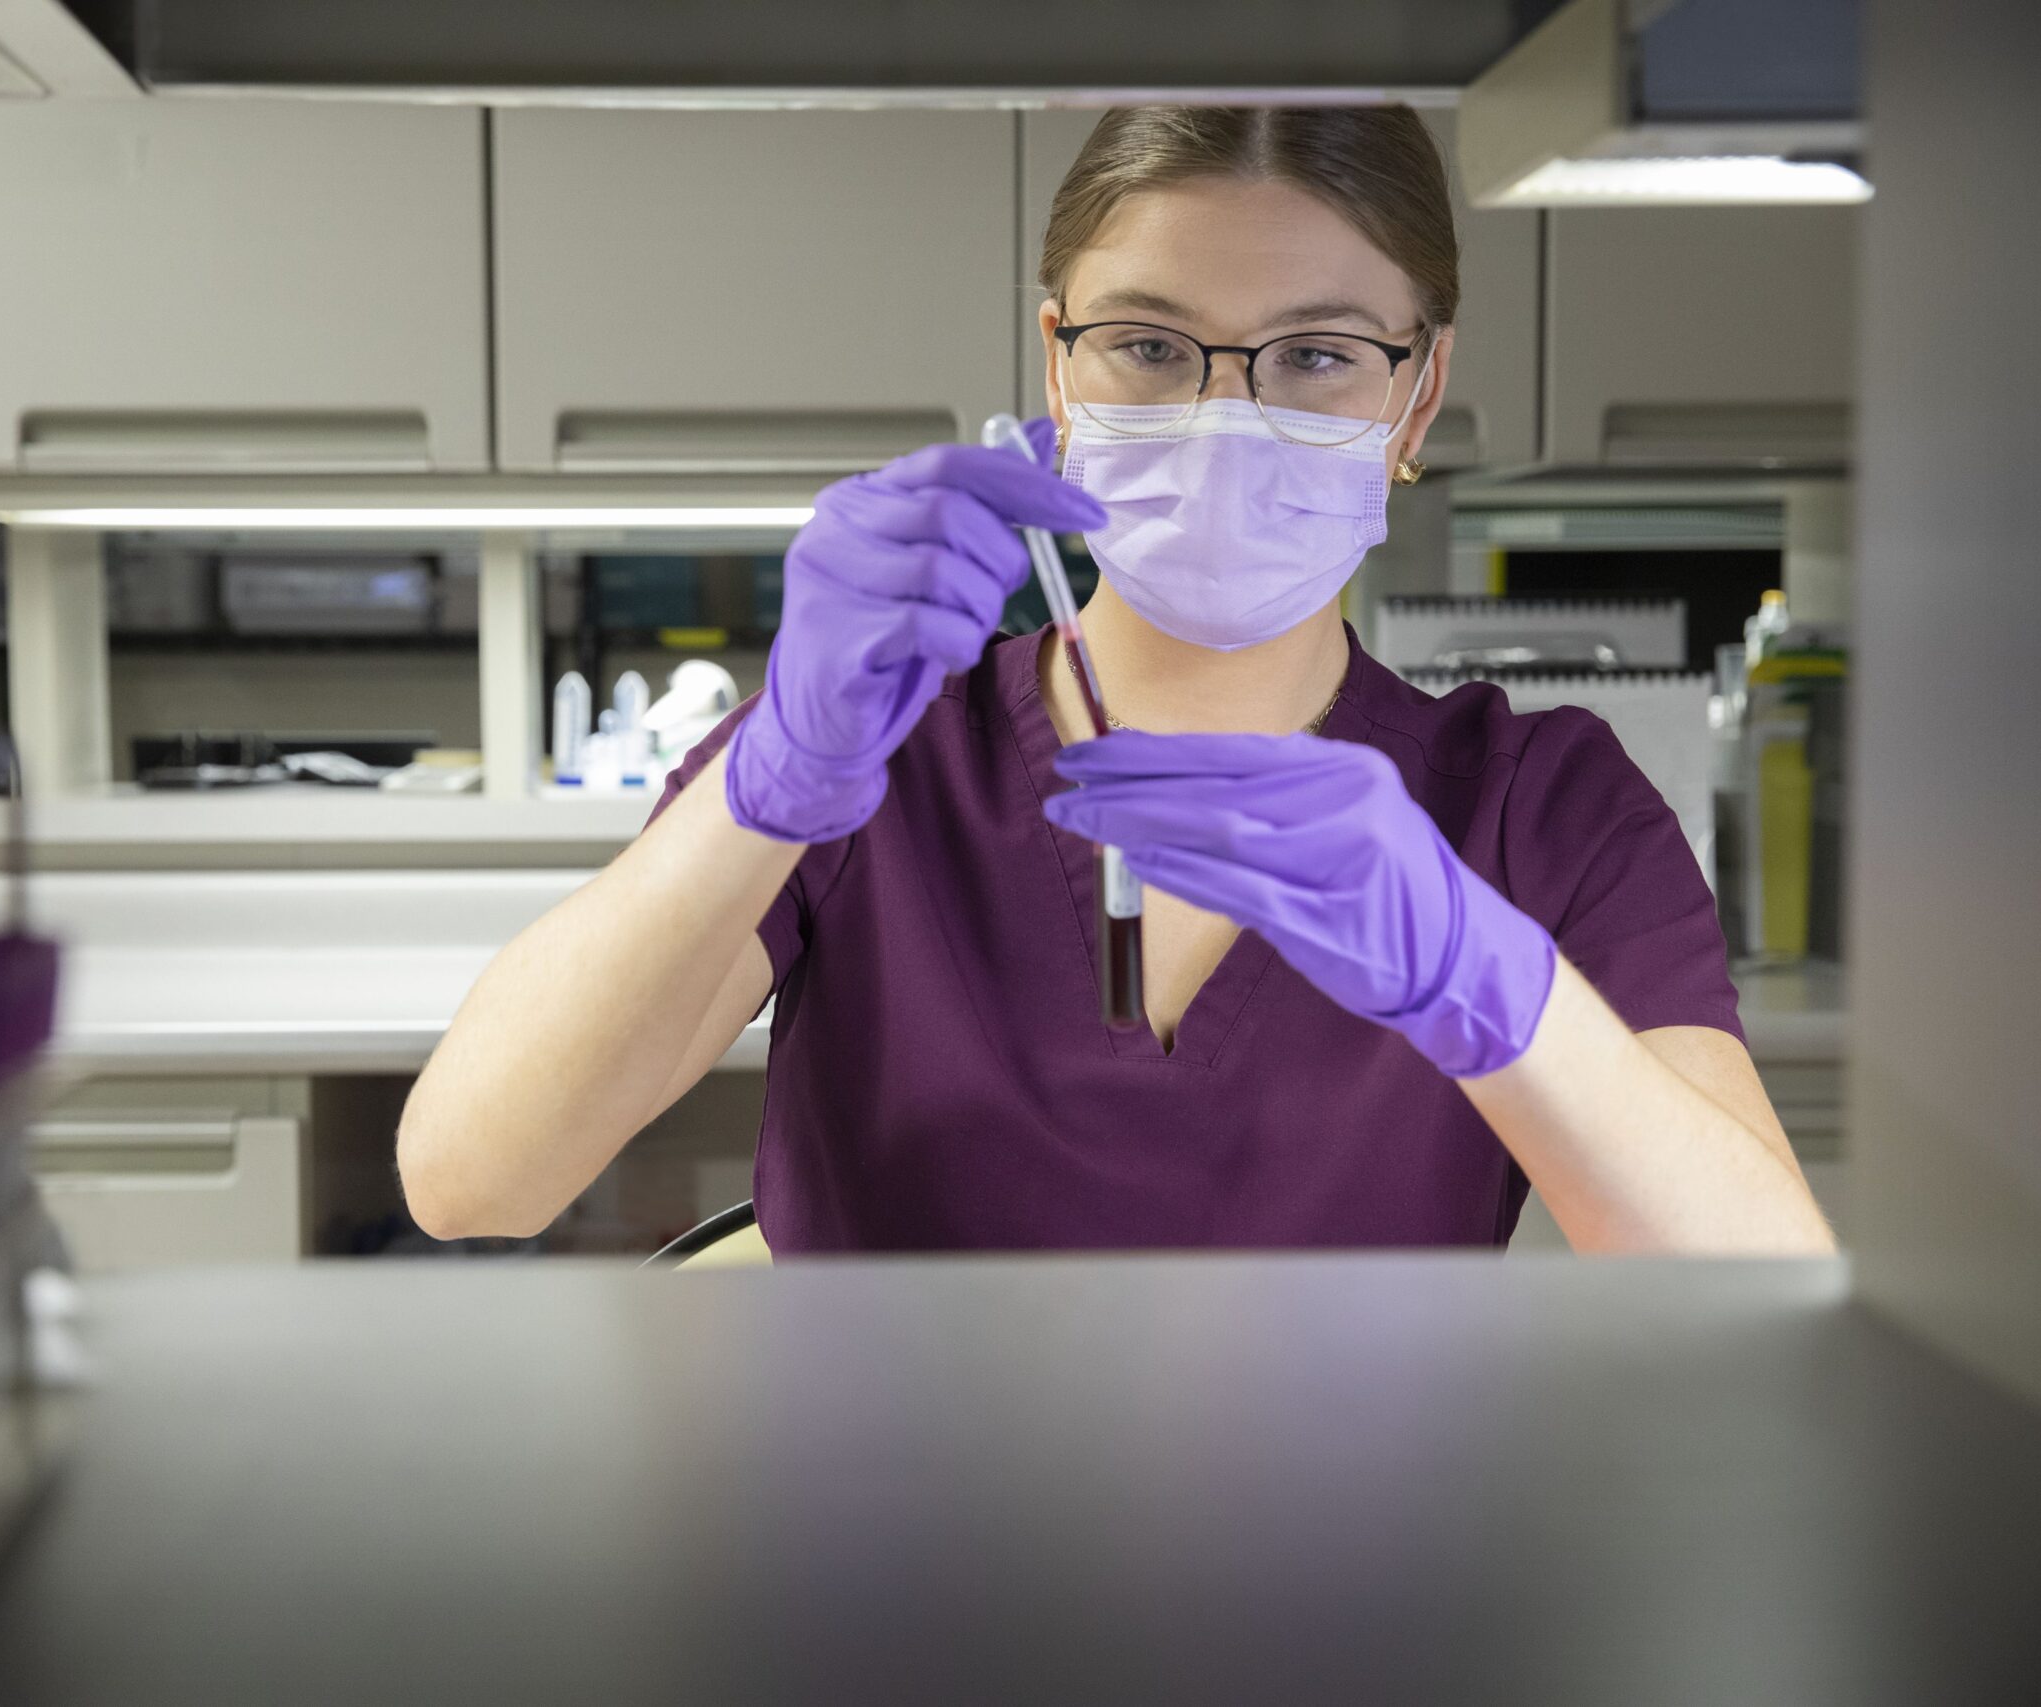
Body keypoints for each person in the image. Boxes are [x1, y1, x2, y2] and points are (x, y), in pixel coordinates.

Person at [398, 105, 1833, 1256]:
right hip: (874, 1572)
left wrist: (1495, 986)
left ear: (1416, 397)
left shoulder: (1539, 806)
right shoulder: (875, 756)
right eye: (1149, 345)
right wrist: (772, 778)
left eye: (1318, 356)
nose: (1225, 416)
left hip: (1354, 1587)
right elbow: (473, 1178)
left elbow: (1765, 1305)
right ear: (1057, 361)